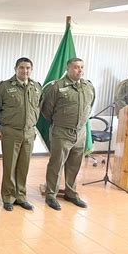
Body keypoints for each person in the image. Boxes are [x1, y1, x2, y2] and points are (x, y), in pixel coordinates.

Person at [41, 58, 95, 210]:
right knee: (56, 164)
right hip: (62, 131)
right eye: (76, 67)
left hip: (80, 132)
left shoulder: (88, 86)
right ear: (68, 69)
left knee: (74, 164)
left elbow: (89, 106)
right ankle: (51, 194)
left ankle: (71, 193)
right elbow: (47, 110)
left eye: (82, 67)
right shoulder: (57, 86)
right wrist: (62, 122)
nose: (80, 70)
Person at [0, 58, 42, 211]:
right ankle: (8, 197)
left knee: (24, 166)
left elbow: (39, 107)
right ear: (15, 68)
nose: (24, 71)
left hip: (28, 132)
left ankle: (21, 196)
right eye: (21, 67)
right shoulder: (4, 87)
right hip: (11, 131)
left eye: (28, 68)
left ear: (31, 69)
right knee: (10, 166)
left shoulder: (36, 87)